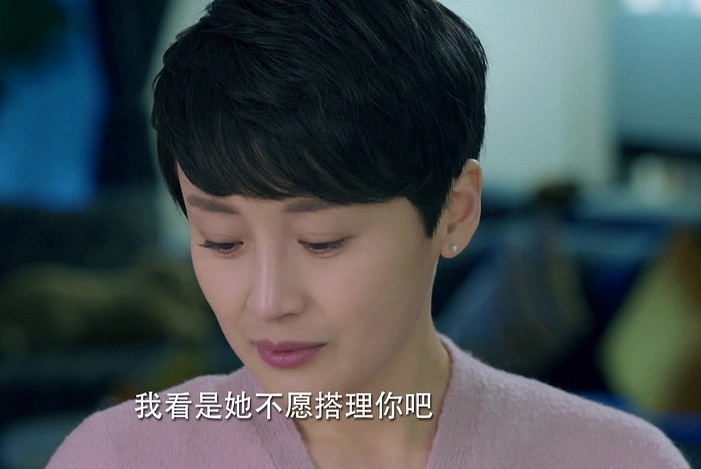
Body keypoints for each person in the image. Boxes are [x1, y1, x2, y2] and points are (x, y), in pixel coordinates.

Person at [48, 1, 690, 467]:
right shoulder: (119, 454)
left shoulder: (613, 458)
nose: (268, 302)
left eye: (321, 241)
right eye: (222, 240)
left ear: (455, 212)